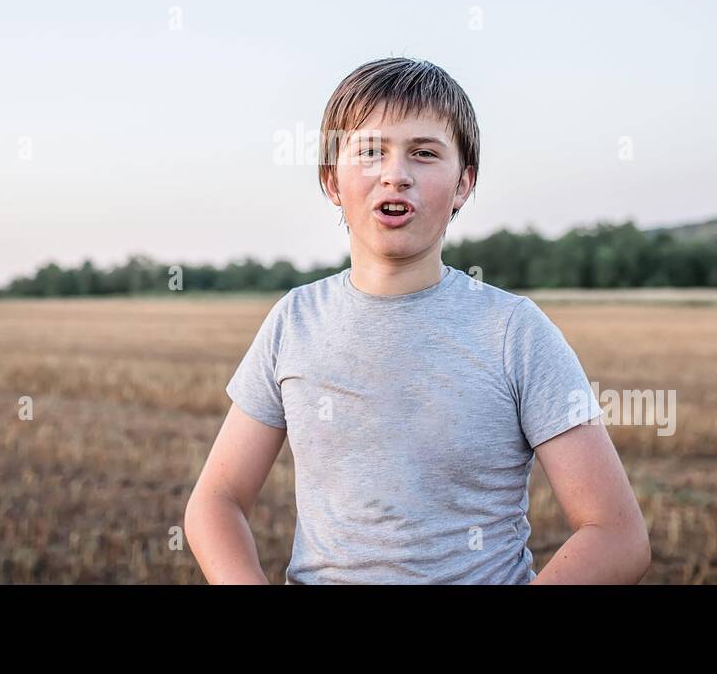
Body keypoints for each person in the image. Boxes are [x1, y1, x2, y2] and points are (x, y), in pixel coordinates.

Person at [184, 56, 650, 584]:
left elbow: (616, 534)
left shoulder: (516, 333)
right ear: (332, 181)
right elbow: (216, 503)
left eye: (424, 154)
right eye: (369, 152)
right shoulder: (295, 321)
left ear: (463, 184)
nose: (395, 174)